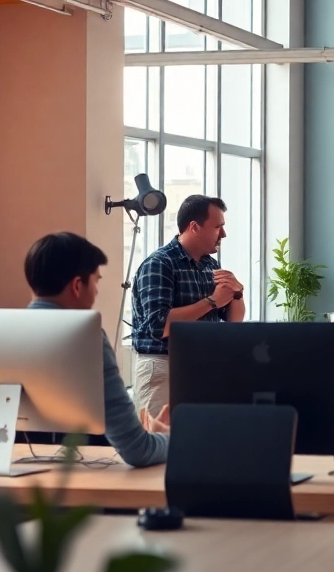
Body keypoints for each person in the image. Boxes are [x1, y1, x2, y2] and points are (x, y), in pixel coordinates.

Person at [24, 232, 169, 468]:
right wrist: (167, 438)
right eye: (97, 281)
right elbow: (138, 451)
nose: (97, 291)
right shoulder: (86, 339)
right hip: (84, 487)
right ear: (78, 285)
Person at [130, 195, 246, 417]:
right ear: (194, 227)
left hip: (201, 365)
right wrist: (211, 301)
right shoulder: (159, 264)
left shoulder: (210, 265)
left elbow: (233, 321)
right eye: (218, 227)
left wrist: (237, 293)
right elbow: (159, 326)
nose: (223, 234)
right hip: (162, 366)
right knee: (158, 443)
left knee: (199, 442)